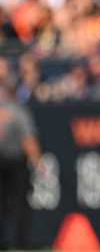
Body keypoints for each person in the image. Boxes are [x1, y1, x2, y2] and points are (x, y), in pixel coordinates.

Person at [0, 57, 44, 250]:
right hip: (14, 161)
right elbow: (29, 140)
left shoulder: (15, 110)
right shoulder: (17, 111)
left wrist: (36, 160)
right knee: (19, 205)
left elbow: (28, 140)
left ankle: (12, 242)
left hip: (11, 160)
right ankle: (19, 242)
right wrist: (37, 161)